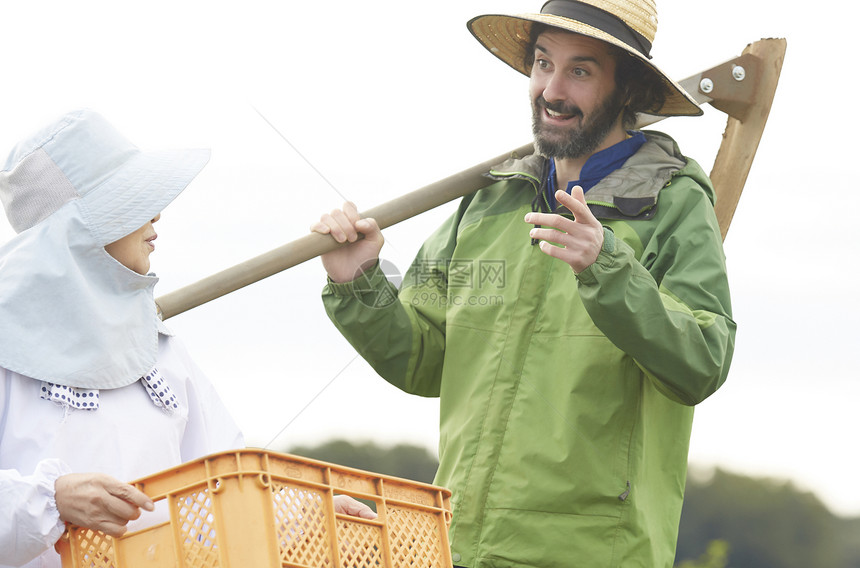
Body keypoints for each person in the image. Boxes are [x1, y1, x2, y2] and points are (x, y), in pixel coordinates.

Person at [311, 1, 736, 566]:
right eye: (542, 64)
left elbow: (702, 360)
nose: (551, 90)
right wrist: (361, 282)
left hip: (588, 553)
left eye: (580, 71)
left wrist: (605, 266)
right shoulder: (490, 200)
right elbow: (425, 359)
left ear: (628, 89)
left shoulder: (674, 203)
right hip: (460, 542)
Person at [0, 110, 373, 568]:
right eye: (133, 201)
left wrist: (306, 513)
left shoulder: (158, 348)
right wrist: (49, 502)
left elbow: (221, 480)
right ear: (75, 230)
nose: (156, 214)